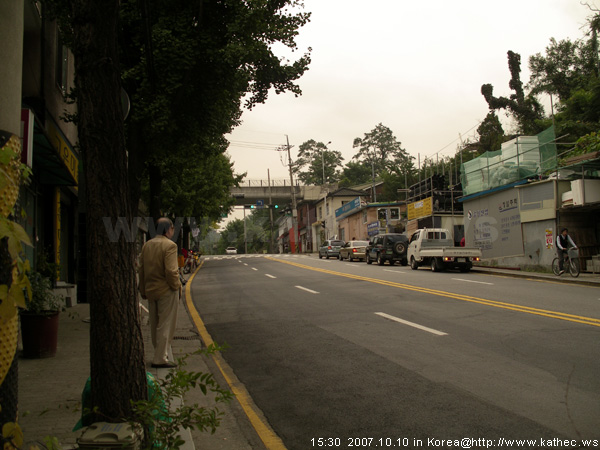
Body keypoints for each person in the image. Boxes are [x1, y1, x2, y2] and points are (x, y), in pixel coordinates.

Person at [138, 217, 182, 368]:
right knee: (165, 324)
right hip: (166, 290)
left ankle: (159, 352)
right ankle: (160, 358)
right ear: (168, 229)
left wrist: (142, 289)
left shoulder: (147, 245)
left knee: (155, 323)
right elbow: (171, 271)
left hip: (150, 289)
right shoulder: (170, 246)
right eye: (172, 228)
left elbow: (141, 269)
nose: (173, 231)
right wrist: (176, 286)